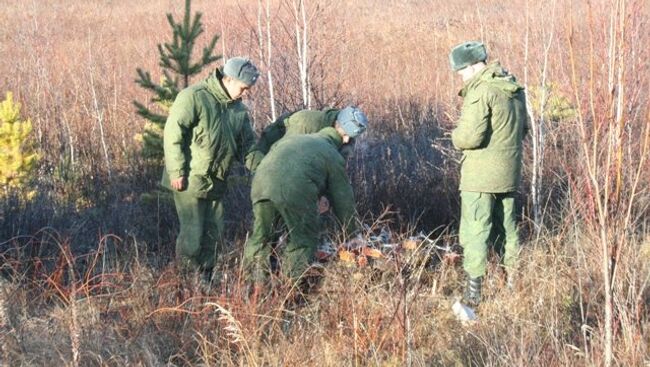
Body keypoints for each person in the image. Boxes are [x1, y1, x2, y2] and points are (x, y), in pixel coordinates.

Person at [161, 57, 263, 280]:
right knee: (192, 236)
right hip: (189, 179)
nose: (245, 93)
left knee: (213, 236)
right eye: (243, 88)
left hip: (216, 183)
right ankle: (186, 284)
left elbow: (247, 149)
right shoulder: (194, 97)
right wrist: (176, 171)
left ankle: (205, 281)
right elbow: (172, 134)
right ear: (228, 79)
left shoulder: (238, 112)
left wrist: (266, 169)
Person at [243, 107, 369, 283]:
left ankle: (253, 289)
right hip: (292, 189)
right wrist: (353, 234)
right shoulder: (332, 154)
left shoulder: (297, 138)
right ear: (346, 137)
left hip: (260, 183)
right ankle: (290, 292)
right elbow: (343, 199)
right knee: (302, 240)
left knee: (261, 237)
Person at [448, 41, 528, 306]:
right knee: (507, 229)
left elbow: (469, 136)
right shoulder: (513, 87)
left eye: (461, 71)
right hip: (509, 173)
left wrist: (455, 136)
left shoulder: (481, 90)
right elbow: (523, 129)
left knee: (475, 231)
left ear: (472, 66)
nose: (460, 76)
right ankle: (514, 284)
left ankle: (473, 296)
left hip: (480, 177)